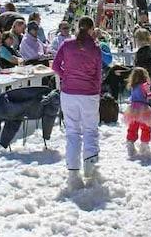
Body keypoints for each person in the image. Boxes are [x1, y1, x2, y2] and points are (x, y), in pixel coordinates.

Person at [53, 16, 103, 189]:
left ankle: (73, 172)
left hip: (69, 92)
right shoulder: (95, 49)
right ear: (91, 29)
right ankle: (90, 166)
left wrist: (65, 75)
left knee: (72, 132)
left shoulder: (66, 44)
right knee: (90, 129)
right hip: (89, 93)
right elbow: (98, 74)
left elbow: (55, 66)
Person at [124, 67, 151, 156]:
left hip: (133, 108)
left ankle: (130, 143)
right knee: (146, 127)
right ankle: (144, 145)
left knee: (133, 127)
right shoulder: (144, 85)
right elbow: (147, 96)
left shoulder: (133, 86)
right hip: (143, 108)